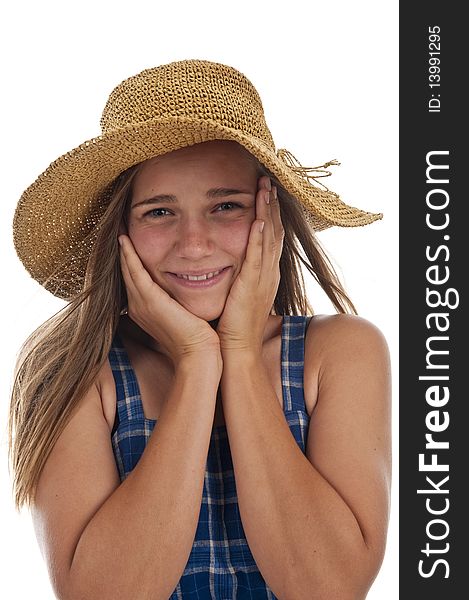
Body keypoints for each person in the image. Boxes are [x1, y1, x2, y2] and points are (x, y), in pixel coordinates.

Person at [9, 59, 391, 599]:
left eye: (226, 206)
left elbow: (326, 588)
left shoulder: (340, 353)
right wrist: (196, 362)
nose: (193, 243)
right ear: (119, 230)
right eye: (160, 212)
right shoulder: (74, 369)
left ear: (271, 217)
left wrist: (237, 353)